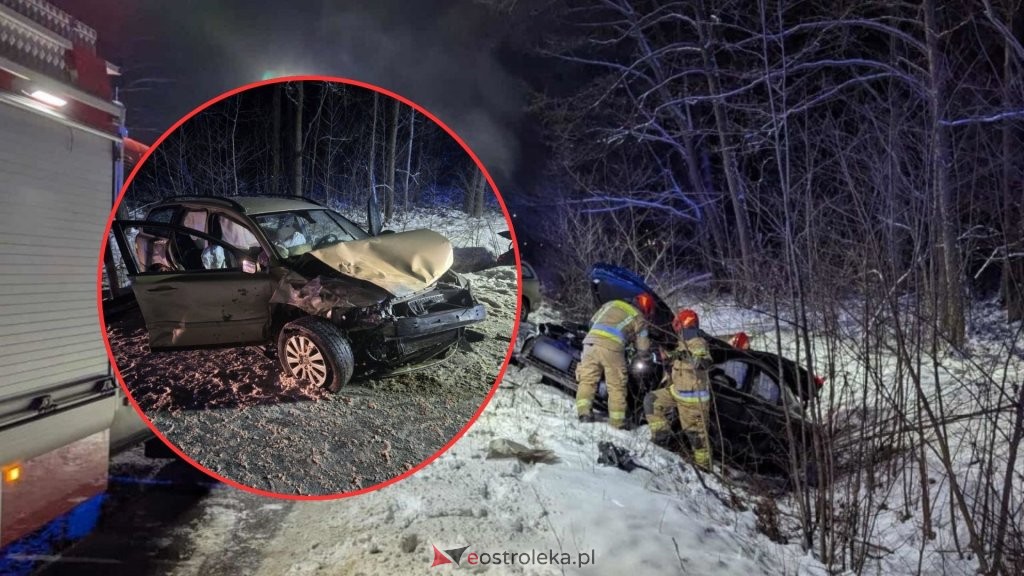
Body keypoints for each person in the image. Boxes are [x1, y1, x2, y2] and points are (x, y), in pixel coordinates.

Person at [644, 309, 714, 470]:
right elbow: (679, 363)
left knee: (697, 439)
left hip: (693, 401)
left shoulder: (698, 342)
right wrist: (669, 358)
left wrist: (692, 358)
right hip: (676, 393)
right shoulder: (682, 344)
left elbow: (704, 361)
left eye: (678, 325)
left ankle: (705, 470)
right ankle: (662, 438)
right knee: (652, 400)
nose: (676, 329)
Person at [575, 292, 654, 429]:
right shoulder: (639, 317)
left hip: (590, 343)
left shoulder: (611, 303)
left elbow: (592, 322)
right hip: (612, 348)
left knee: (587, 379)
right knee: (616, 386)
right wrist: (645, 356)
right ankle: (617, 423)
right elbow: (643, 347)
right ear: (645, 307)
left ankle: (584, 413)